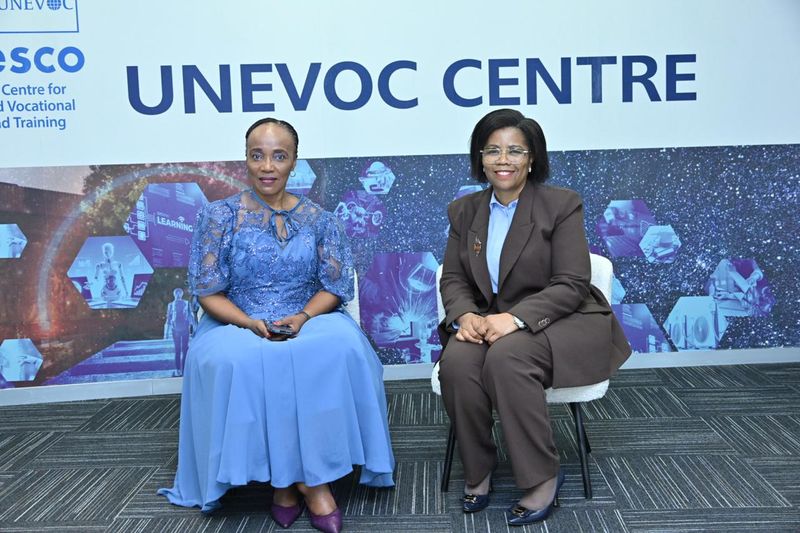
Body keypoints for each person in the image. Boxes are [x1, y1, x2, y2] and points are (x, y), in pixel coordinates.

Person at [158, 118, 395, 533]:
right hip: (236, 320)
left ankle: (290, 486)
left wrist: (303, 317)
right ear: (246, 160)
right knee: (238, 359)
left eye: (279, 156)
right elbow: (208, 293)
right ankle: (310, 484)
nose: (267, 166)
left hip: (308, 316)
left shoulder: (321, 219)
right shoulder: (217, 216)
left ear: (294, 162)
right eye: (257, 155)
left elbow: (335, 287)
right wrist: (251, 323)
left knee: (340, 349)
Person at [437, 109, 631, 526]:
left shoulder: (561, 204)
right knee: (456, 363)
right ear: (480, 157)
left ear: (531, 158)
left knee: (508, 359)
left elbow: (571, 282)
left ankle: (542, 475)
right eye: (492, 150)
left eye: (514, 150)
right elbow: (453, 277)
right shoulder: (464, 211)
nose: (502, 159)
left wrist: (516, 319)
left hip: (560, 319)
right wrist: (464, 315)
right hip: (489, 322)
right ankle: (479, 469)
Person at [164, 288, 195, 377]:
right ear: (174, 294)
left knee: (185, 350)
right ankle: (178, 370)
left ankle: (184, 370)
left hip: (185, 329)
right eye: (176, 293)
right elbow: (168, 317)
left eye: (179, 293)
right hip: (175, 330)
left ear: (181, 294)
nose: (178, 294)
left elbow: (190, 316)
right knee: (177, 350)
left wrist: (193, 329)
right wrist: (166, 333)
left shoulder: (186, 303)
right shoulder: (171, 305)